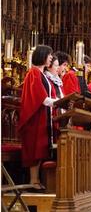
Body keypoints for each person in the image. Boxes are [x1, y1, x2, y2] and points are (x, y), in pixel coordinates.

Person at [18, 45, 57, 191]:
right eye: (49, 55)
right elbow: (42, 98)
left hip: (42, 117)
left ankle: (36, 180)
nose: (51, 58)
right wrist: (58, 102)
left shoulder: (42, 74)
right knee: (35, 150)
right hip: (35, 119)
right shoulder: (34, 73)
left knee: (40, 150)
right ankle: (33, 180)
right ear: (42, 56)